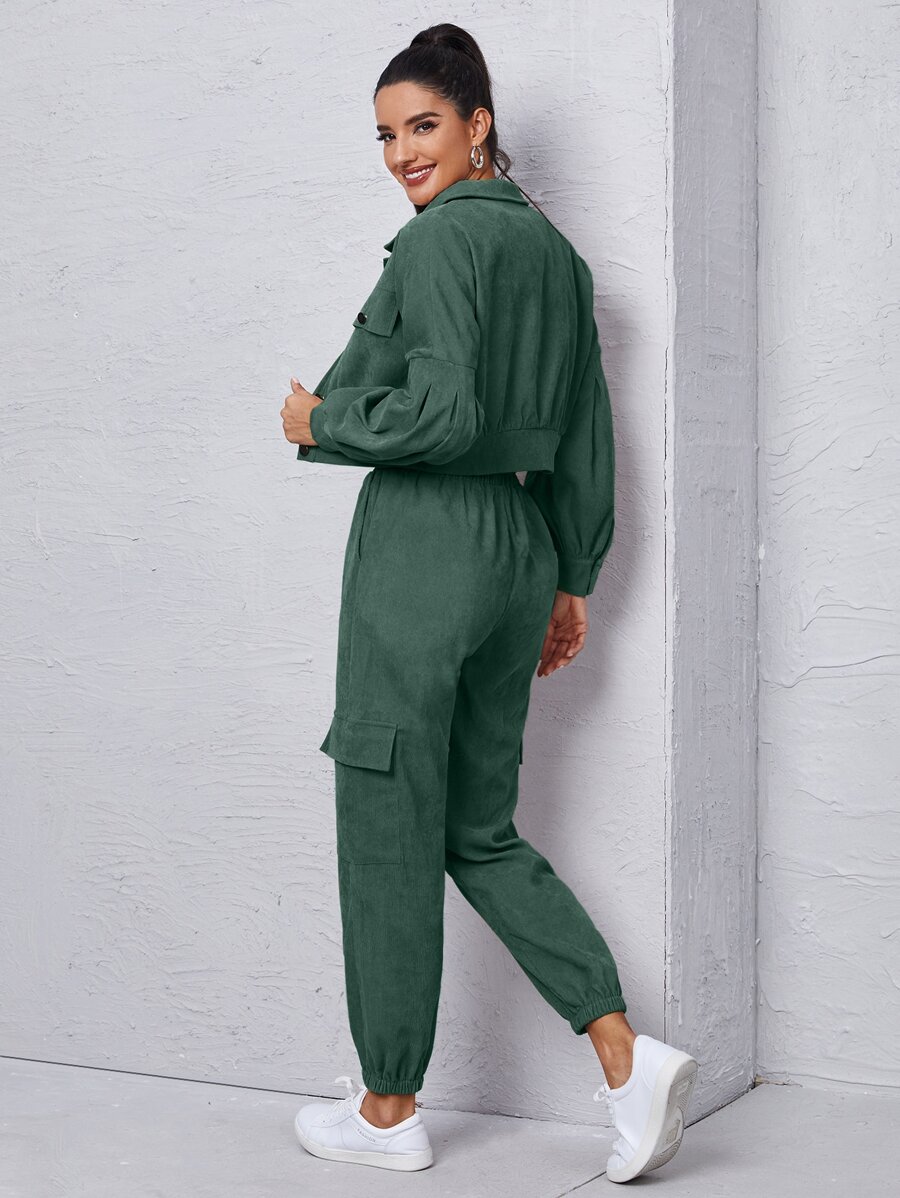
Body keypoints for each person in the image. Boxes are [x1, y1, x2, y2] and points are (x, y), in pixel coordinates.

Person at [280, 22, 698, 1184]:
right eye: (385, 135)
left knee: (386, 810)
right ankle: (624, 1056)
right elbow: (586, 434)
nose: (402, 153)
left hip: (427, 543)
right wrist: (569, 577)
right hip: (521, 544)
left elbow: (444, 415)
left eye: (423, 125)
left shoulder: (436, 245)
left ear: (479, 125)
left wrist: (323, 420)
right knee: (477, 826)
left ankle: (387, 1107)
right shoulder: (558, 260)